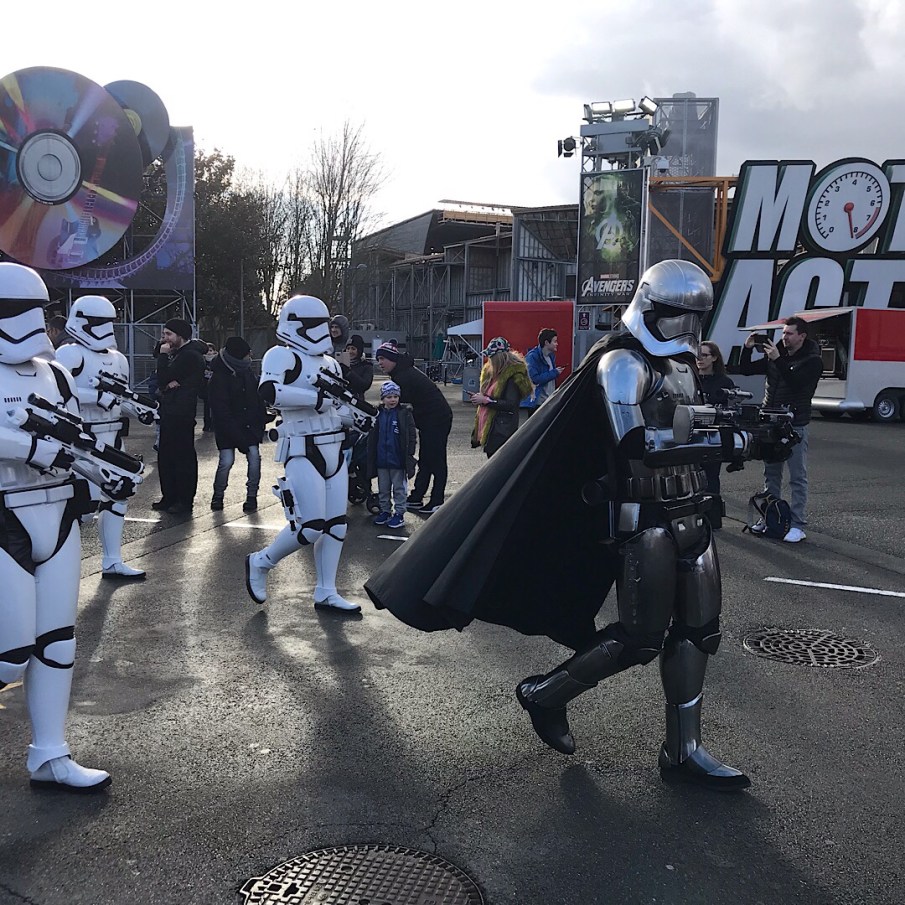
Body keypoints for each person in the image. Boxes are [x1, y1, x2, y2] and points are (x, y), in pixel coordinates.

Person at [366, 260, 797, 793]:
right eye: (677, 315)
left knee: (700, 632)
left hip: (691, 509)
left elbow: (692, 427)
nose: (686, 329)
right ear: (651, 309)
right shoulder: (621, 363)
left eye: (695, 318)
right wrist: (733, 442)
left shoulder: (682, 367)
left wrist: (751, 436)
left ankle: (683, 749)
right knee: (640, 639)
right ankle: (545, 694)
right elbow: (635, 442)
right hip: (644, 518)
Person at [0, 262, 141, 791]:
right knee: (10, 653)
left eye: (38, 310)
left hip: (56, 510)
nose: (32, 321)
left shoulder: (55, 373)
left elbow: (72, 439)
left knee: (57, 642)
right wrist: (32, 448)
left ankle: (50, 753)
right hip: (5, 513)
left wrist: (98, 470)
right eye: (17, 309)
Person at [244, 295, 374, 612]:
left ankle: (326, 590)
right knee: (311, 525)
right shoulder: (282, 356)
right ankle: (261, 561)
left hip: (334, 448)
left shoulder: (331, 363)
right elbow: (269, 391)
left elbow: (337, 407)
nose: (323, 331)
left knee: (337, 525)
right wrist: (315, 399)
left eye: (325, 324)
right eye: (315, 324)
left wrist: (356, 418)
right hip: (301, 447)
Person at [55, 295, 152, 579]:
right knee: (81, 506)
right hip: (81, 440)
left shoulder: (118, 359)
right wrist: (95, 397)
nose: (105, 328)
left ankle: (112, 560)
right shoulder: (69, 354)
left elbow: (121, 398)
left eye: (109, 321)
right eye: (98, 322)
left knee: (118, 496)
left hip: (112, 438)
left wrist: (140, 410)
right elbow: (57, 393)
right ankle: (60, 567)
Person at [738, 316, 822, 543]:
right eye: (783, 333)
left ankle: (797, 524)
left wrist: (778, 360)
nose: (785, 338)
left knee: (797, 476)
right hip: (771, 422)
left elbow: (797, 383)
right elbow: (745, 369)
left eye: (789, 334)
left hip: (795, 424)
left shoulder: (812, 361)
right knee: (771, 474)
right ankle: (770, 517)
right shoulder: (776, 356)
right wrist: (747, 349)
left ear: (802, 336)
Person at [375, 342, 453, 515]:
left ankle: (437, 500)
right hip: (428, 419)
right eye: (378, 359)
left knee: (436, 459)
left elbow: (400, 407)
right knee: (426, 458)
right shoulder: (401, 372)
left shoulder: (403, 376)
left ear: (393, 359)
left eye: (382, 358)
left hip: (437, 418)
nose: (380, 363)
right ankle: (417, 496)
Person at [208, 337, 268, 513]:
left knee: (253, 458)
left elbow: (256, 398)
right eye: (247, 354)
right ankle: (218, 495)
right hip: (229, 428)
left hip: (247, 425)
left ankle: (251, 496)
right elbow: (221, 411)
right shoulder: (219, 377)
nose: (250, 356)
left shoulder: (245, 371)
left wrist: (261, 418)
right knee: (227, 461)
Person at [153, 317, 204, 515]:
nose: (164, 338)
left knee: (182, 457)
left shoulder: (189, 356)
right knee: (166, 456)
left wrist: (164, 361)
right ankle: (169, 496)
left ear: (180, 335)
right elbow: (165, 379)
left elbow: (163, 377)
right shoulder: (177, 354)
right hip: (169, 410)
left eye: (169, 334)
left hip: (181, 412)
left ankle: (184, 500)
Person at [469, 337, 534, 458]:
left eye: (491, 357)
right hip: (494, 428)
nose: (489, 360)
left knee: (497, 462)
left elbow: (510, 404)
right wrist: (480, 399)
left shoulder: (513, 377)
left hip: (502, 430)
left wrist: (485, 400)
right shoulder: (492, 373)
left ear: (498, 357)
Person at [696, 341, 736, 530]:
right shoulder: (689, 378)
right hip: (691, 432)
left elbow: (731, 410)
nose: (700, 359)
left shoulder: (724, 383)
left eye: (704, 355)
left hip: (714, 434)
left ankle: (712, 518)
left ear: (714, 358)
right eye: (698, 355)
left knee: (711, 476)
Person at [367, 380, 416, 529]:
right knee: (383, 488)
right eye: (389, 397)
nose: (393, 399)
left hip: (398, 460)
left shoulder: (404, 414)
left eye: (395, 396)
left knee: (399, 488)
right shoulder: (378, 414)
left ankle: (399, 513)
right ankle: (385, 511)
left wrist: (409, 454)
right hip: (382, 460)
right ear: (383, 398)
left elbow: (411, 435)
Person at [525, 328, 564, 409]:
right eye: (554, 341)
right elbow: (535, 379)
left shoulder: (551, 356)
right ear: (546, 342)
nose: (557, 344)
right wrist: (554, 373)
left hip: (548, 401)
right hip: (537, 403)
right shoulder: (532, 357)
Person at [201, 342, 217, 432]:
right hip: (205, 388)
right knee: (206, 407)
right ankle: (207, 424)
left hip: (215, 388)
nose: (209, 353)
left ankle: (214, 424)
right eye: (207, 351)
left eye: (211, 350)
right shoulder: (202, 361)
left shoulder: (217, 361)